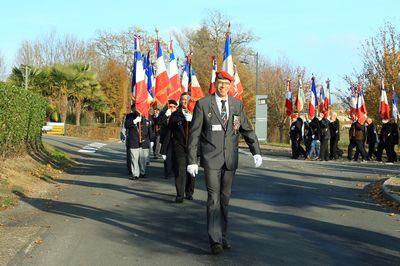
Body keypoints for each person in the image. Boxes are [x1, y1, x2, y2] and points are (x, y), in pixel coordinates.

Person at [186, 70, 262, 255]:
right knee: (213, 198)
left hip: (230, 160)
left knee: (225, 200)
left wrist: (256, 151)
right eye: (220, 83)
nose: (223, 87)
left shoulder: (236, 105)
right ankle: (215, 240)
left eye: (226, 84)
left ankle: (223, 235)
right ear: (215, 83)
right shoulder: (203, 104)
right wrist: (192, 160)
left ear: (230, 86)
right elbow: (194, 134)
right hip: (211, 158)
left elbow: (247, 130)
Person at [161, 92, 195, 203]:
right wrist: (164, 150)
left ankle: (189, 192)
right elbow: (169, 130)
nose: (184, 101)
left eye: (187, 99)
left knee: (191, 171)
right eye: (182, 99)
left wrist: (192, 120)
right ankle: (180, 194)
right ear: (179, 100)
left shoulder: (195, 113)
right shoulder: (175, 114)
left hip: (192, 147)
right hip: (179, 146)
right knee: (180, 171)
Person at [159, 100, 178, 178]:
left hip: (177, 139)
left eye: (174, 107)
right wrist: (166, 116)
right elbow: (160, 123)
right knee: (168, 158)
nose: (172, 108)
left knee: (177, 158)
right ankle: (168, 173)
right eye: (170, 107)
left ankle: (175, 171)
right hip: (168, 140)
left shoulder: (178, 114)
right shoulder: (164, 114)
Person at [124, 104, 144, 180]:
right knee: (134, 159)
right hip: (134, 140)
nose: (137, 109)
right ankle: (135, 174)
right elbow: (126, 125)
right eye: (135, 108)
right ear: (132, 109)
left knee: (142, 160)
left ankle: (142, 172)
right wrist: (134, 121)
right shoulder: (129, 116)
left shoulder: (144, 116)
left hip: (143, 141)